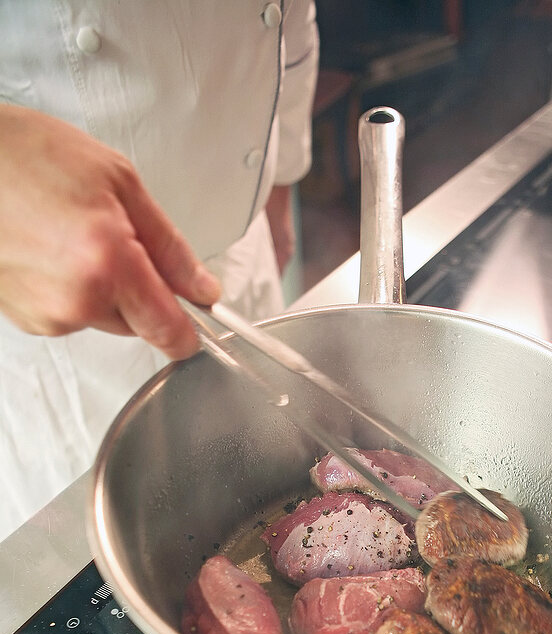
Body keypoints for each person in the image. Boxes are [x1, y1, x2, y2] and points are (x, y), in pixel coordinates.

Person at [0, 1, 319, 541]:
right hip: (65, 319)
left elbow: (291, 18)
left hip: (240, 260)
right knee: (100, 561)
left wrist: (279, 185)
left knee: (275, 495)